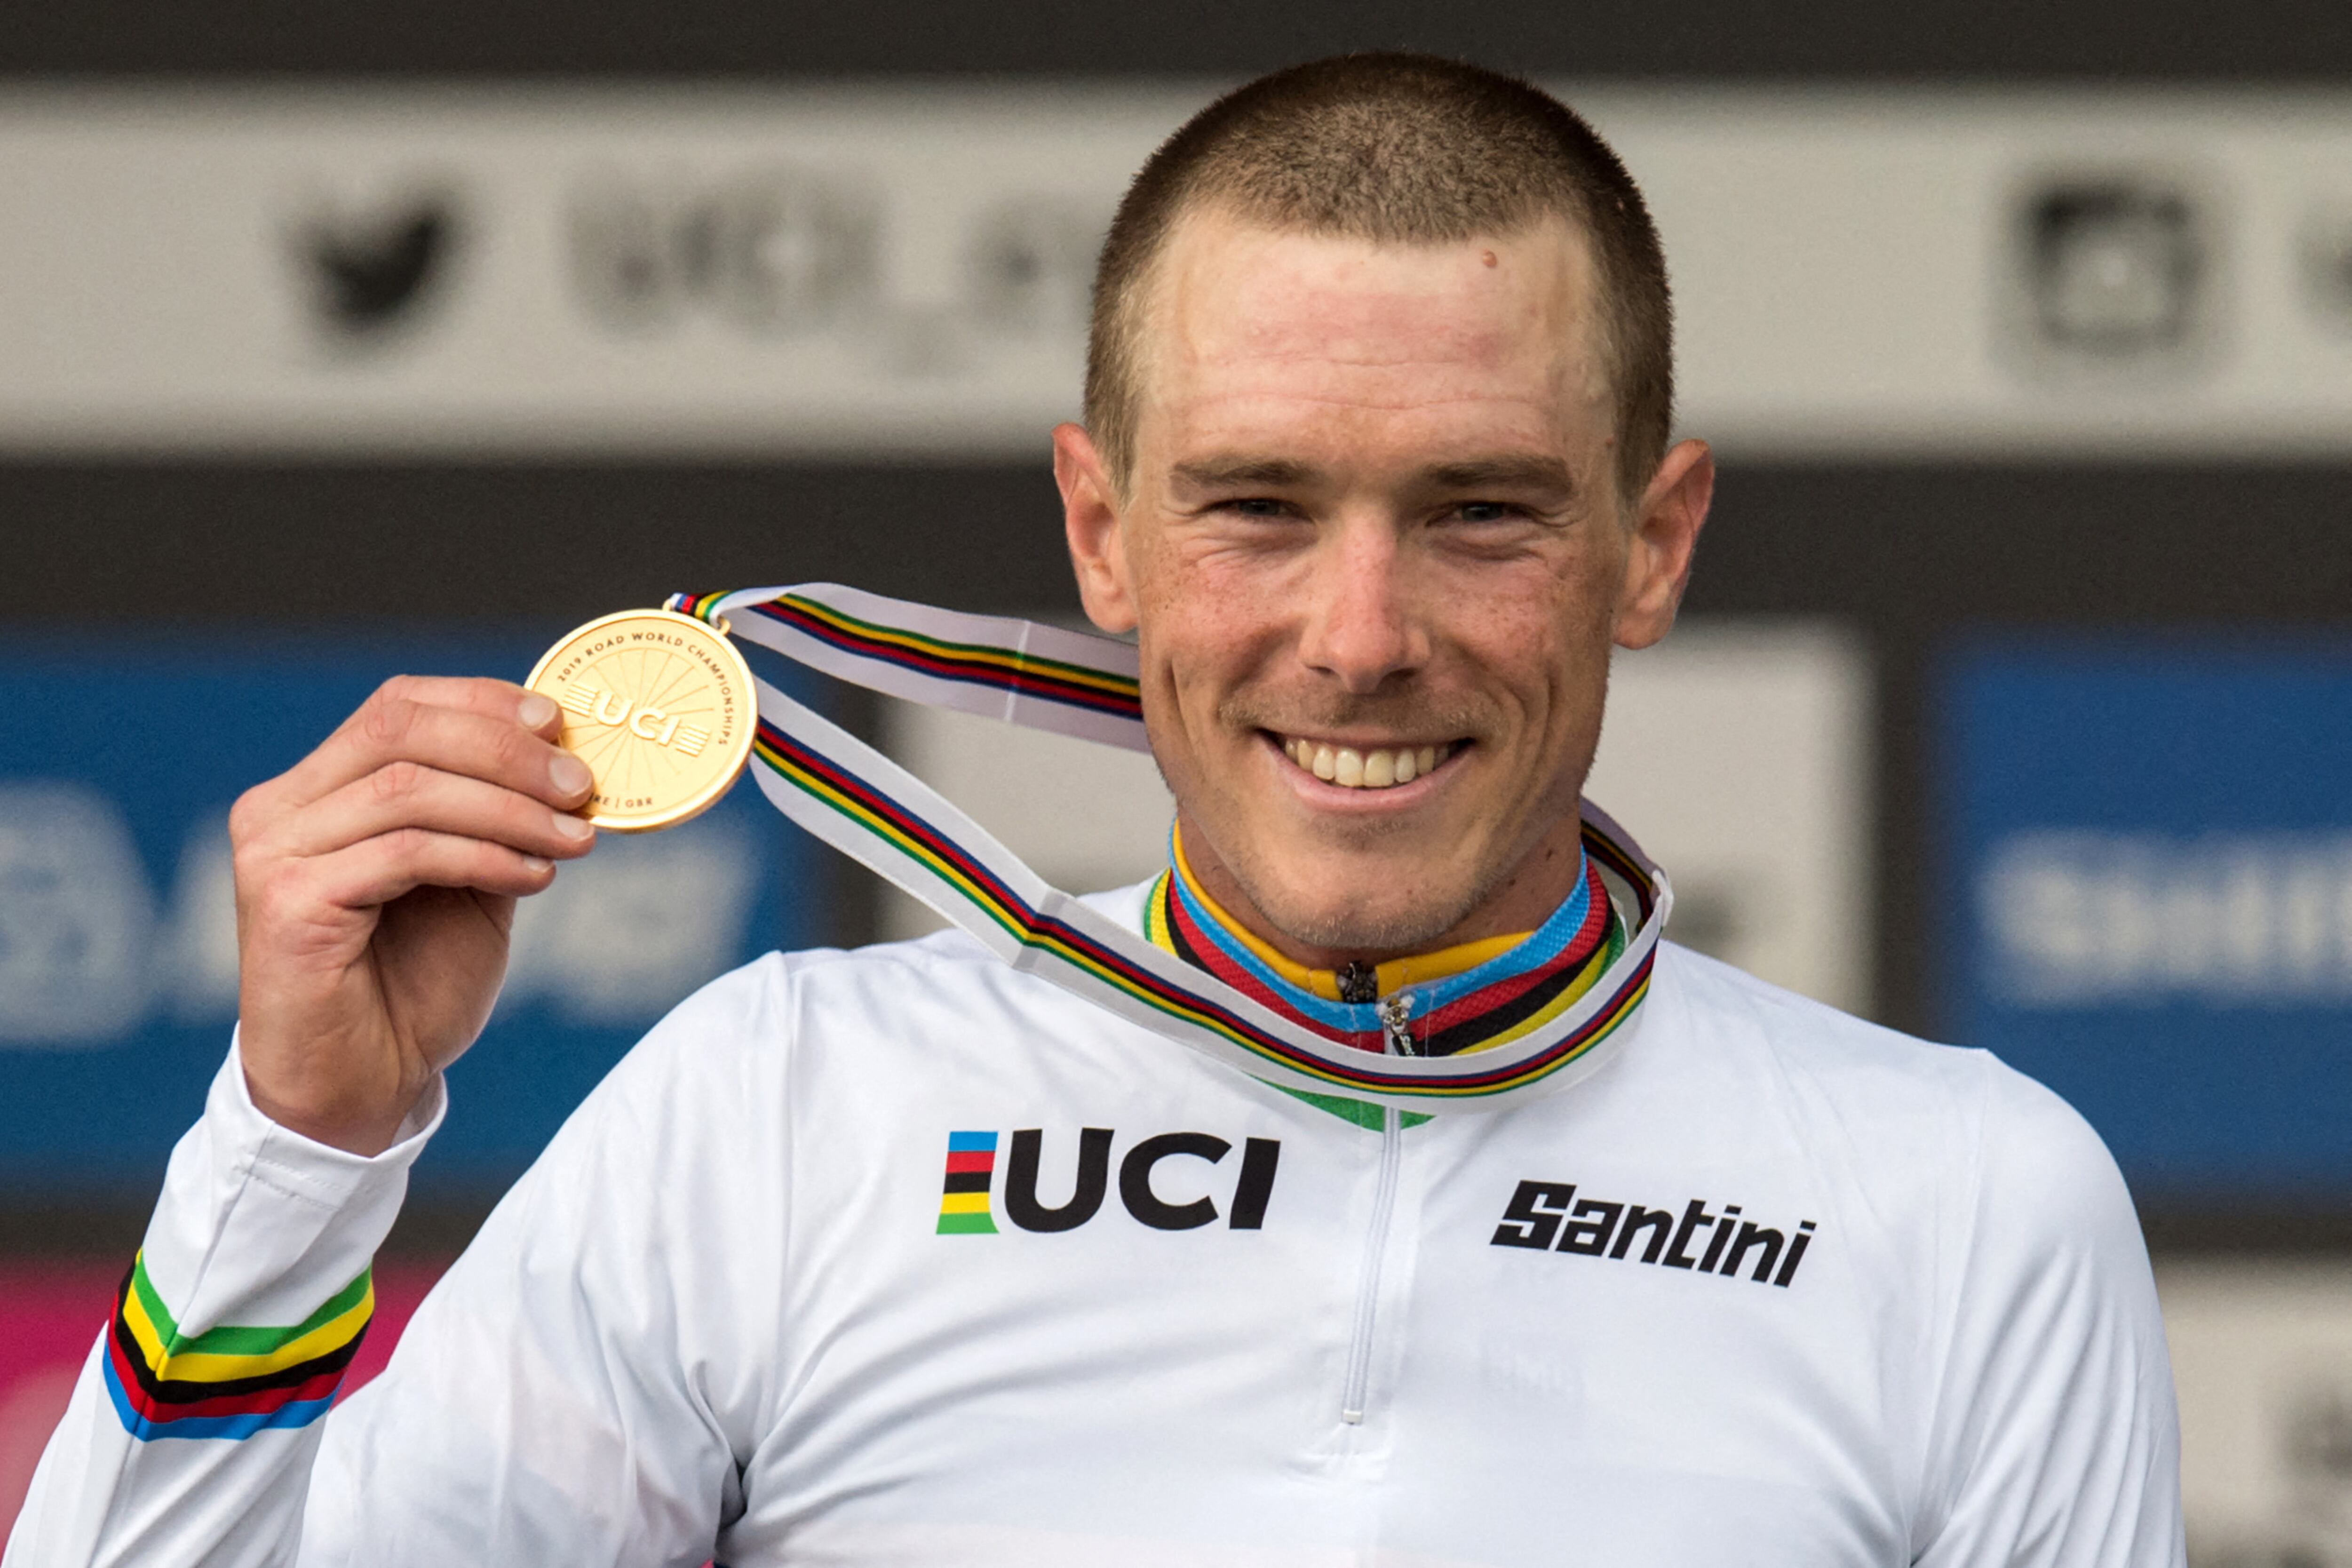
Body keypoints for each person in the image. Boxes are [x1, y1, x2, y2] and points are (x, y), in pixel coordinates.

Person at [9, 54, 2183, 1567]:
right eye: (1254, 506)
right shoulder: (783, 1115)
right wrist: (292, 1155)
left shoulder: (1960, 1203)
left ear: (1653, 538)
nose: (1357, 636)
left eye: (1479, 513)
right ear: (1100, 529)